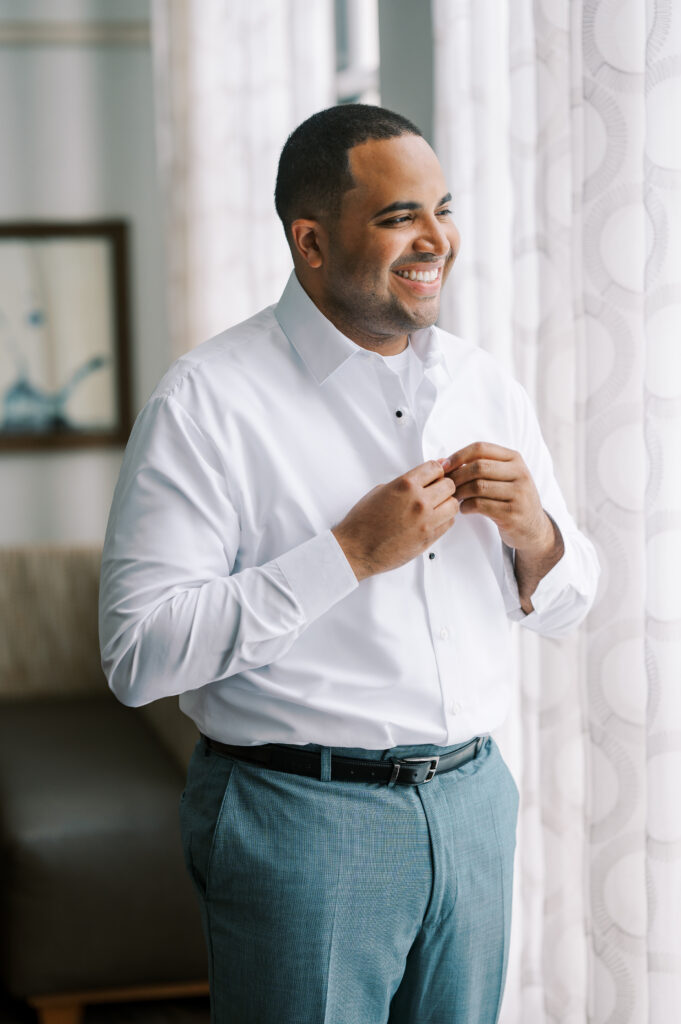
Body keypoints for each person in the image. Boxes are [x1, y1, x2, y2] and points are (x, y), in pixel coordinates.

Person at [99, 104, 599, 1024]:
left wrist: (538, 536)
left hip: (475, 803)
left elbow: (568, 608)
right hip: (300, 818)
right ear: (311, 240)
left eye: (442, 208)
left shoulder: (485, 381)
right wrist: (347, 555)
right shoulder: (206, 403)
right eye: (398, 215)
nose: (436, 239)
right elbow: (136, 657)